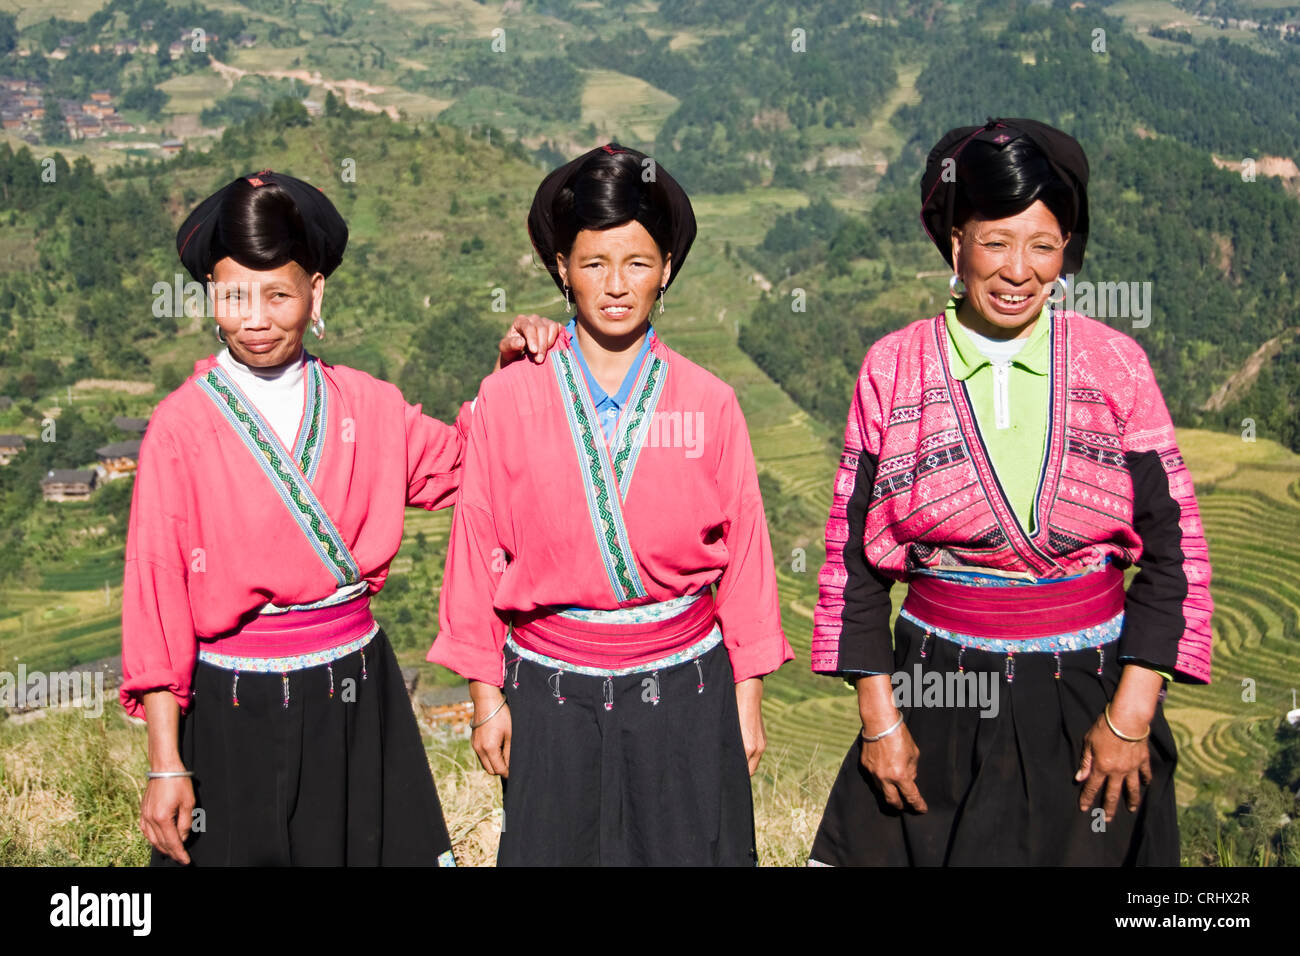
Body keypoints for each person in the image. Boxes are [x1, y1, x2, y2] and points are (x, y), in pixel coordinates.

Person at [121, 169, 560, 866]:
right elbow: (156, 600)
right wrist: (165, 761)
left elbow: (471, 469)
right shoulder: (181, 428)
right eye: (234, 296)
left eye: (278, 294)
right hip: (233, 707)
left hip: (355, 693)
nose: (256, 318)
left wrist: (510, 377)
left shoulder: (370, 407)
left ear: (315, 292)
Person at [807, 119, 1214, 866]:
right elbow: (851, 565)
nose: (1019, 270)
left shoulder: (1114, 366)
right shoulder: (893, 370)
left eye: (1044, 245)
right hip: (935, 698)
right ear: (954, 242)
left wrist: (1130, 716)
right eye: (995, 242)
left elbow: (1175, 549)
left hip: (1092, 701)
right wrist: (879, 721)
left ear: (1067, 252)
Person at [428, 143, 794, 866]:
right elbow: (476, 547)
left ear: (666, 269)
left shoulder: (710, 402)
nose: (616, 285)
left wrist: (744, 704)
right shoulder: (508, 397)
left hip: (687, 692)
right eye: (594, 264)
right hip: (548, 695)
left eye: (637, 263)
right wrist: (486, 696)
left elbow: (747, 555)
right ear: (562, 269)